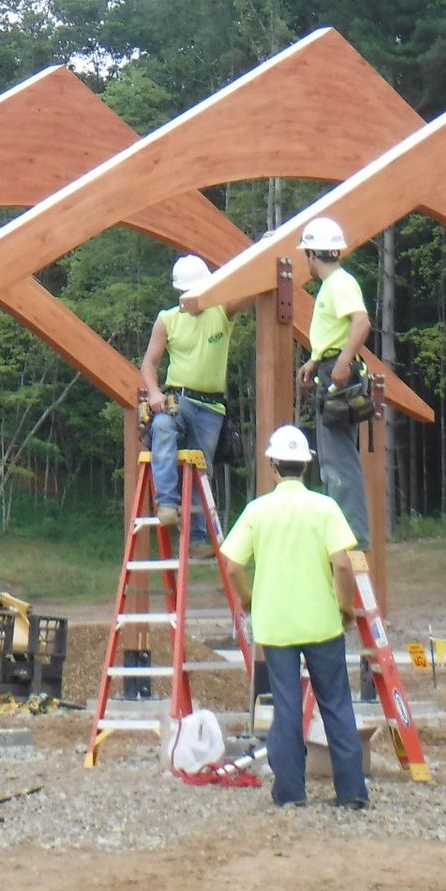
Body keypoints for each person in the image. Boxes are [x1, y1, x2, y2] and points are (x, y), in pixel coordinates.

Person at [220, 425, 369, 810]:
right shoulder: (325, 508)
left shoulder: (257, 511)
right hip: (321, 622)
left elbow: (233, 565)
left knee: (286, 707)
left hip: (276, 625)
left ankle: (289, 792)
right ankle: (352, 791)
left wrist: (250, 601)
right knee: (336, 703)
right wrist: (344, 605)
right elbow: (342, 562)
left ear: (272, 465)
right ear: (306, 466)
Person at [140, 254, 233, 536]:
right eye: (186, 293)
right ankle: (167, 504)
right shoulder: (167, 320)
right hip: (179, 399)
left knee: (199, 467)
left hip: (211, 406)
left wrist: (265, 253)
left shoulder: (222, 312)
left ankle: (198, 536)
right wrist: (155, 393)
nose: (191, 299)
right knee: (162, 426)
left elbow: (247, 288)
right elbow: (149, 363)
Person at [295, 216, 371, 547]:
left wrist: (340, 362)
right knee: (330, 457)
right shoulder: (333, 286)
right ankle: (342, 531)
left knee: (339, 459)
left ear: (312, 253)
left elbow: (361, 323)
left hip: (338, 374)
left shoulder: (341, 284)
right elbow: (338, 331)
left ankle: (351, 534)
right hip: (328, 368)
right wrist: (315, 360)